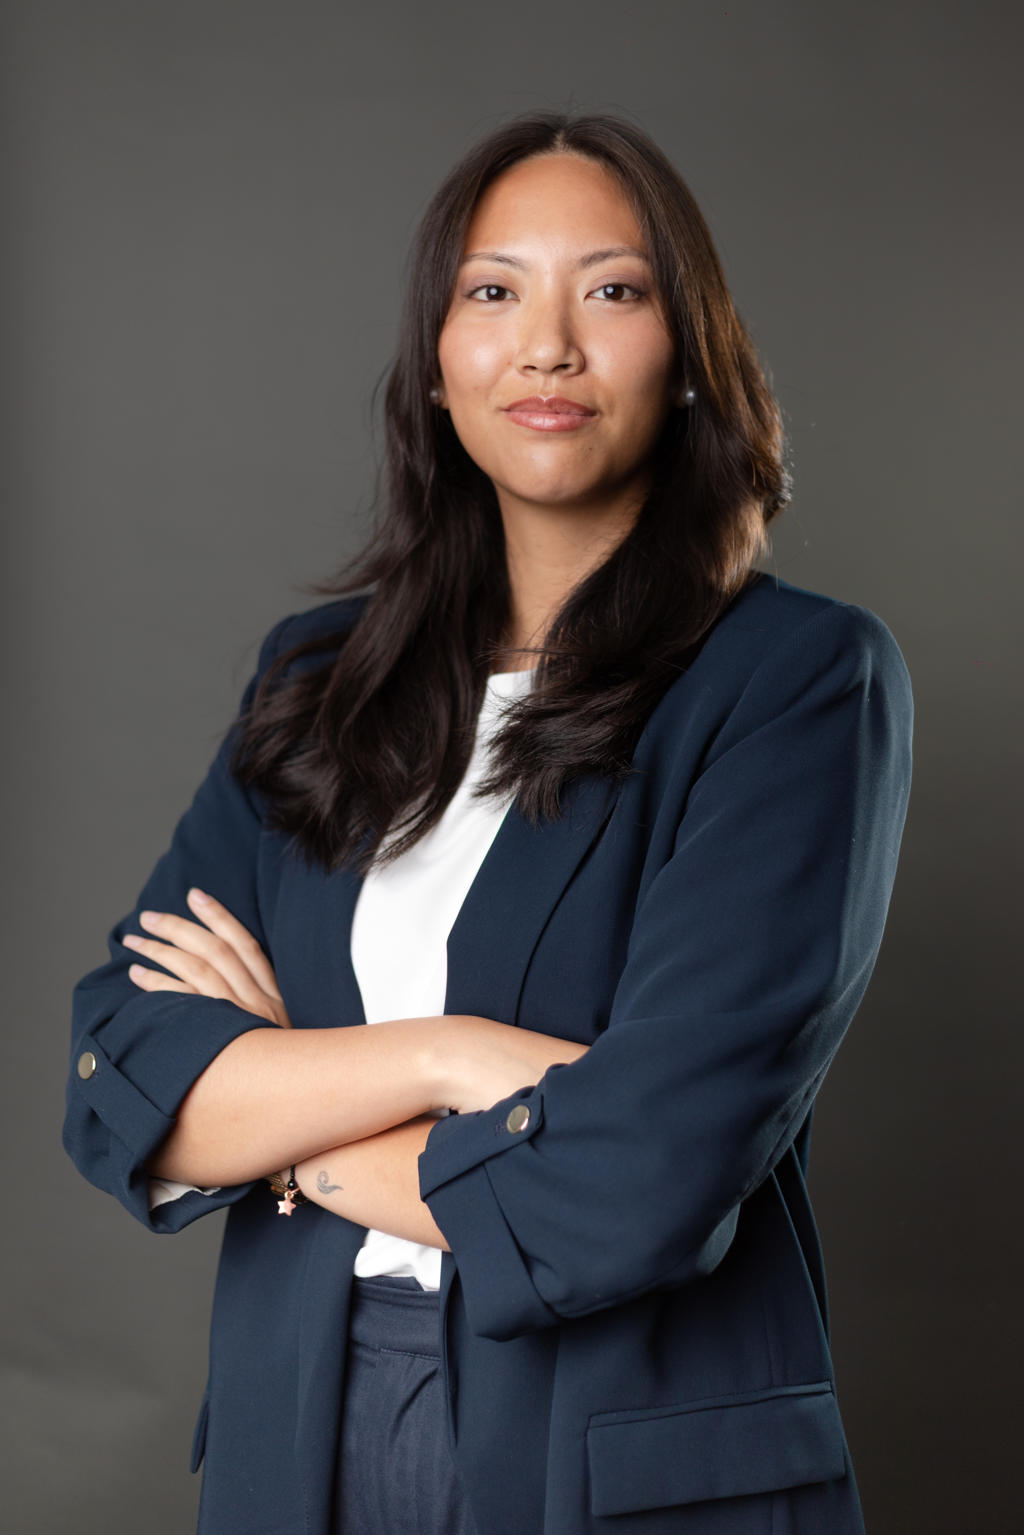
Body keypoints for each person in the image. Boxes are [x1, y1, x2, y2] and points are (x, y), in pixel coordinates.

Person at [64, 111, 913, 1535]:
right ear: (438, 361)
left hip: (614, 1457)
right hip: (300, 1434)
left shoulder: (798, 681)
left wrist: (284, 1129)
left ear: (688, 354)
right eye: (494, 290)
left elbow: (642, 1178)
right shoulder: (316, 679)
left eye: (615, 290)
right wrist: (449, 1057)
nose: (548, 346)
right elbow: (120, 1077)